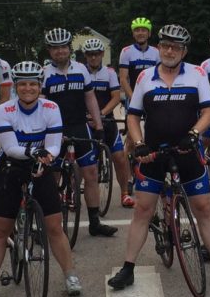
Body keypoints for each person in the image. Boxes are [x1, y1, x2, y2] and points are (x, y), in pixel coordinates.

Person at [107, 24, 210, 290]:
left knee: (203, 208)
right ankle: (128, 268)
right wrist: (139, 143)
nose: (170, 51)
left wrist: (194, 133)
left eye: (176, 47)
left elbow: (208, 112)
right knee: (143, 210)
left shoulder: (197, 73)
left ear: (184, 51)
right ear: (159, 47)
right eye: (166, 46)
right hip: (153, 152)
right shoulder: (145, 76)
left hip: (187, 150)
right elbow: (133, 116)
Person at [0, 61, 82, 297]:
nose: (28, 88)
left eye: (33, 84)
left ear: (40, 86)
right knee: (0, 231)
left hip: (40, 165)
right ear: (16, 86)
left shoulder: (51, 107)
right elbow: (10, 147)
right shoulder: (5, 110)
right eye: (23, 84)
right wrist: (34, 152)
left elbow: (54, 145)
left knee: (54, 227)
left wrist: (46, 157)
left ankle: (70, 276)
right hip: (10, 167)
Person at [42, 27, 114, 237]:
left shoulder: (81, 69)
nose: (60, 51)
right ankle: (49, 224)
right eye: (55, 48)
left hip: (80, 127)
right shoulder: (44, 73)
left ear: (69, 48)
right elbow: (41, 106)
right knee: (53, 177)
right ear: (49, 51)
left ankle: (94, 222)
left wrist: (98, 127)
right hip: (55, 131)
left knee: (91, 173)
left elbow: (90, 98)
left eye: (63, 47)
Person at [82, 36, 134, 209]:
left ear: (102, 54)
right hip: (86, 121)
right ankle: (73, 192)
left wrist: (101, 114)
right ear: (85, 55)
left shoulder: (109, 72)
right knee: (82, 161)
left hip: (107, 120)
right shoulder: (80, 72)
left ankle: (125, 193)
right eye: (90, 54)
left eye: (96, 54)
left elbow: (116, 97)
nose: (93, 57)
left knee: (119, 157)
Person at [118, 17, 158, 102]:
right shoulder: (126, 51)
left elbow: (160, 76)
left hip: (153, 97)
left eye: (143, 30)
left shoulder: (156, 52)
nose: (140, 33)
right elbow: (123, 79)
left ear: (149, 33)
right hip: (133, 96)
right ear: (133, 34)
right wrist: (133, 99)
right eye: (137, 30)